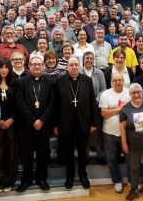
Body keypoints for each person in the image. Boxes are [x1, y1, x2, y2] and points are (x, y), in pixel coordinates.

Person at [54, 57, 98, 189]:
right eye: (71, 65)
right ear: (67, 67)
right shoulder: (60, 81)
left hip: (83, 123)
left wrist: (93, 123)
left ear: (79, 66)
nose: (74, 67)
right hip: (66, 124)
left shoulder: (87, 81)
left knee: (82, 153)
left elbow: (92, 103)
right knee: (68, 152)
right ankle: (70, 177)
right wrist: (55, 125)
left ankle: (83, 175)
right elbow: (55, 104)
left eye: (76, 65)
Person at [16, 56, 55, 192]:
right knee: (26, 156)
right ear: (29, 67)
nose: (37, 66)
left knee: (43, 155)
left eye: (39, 64)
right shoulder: (22, 82)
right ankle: (26, 180)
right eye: (34, 64)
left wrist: (42, 120)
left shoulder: (50, 82)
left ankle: (41, 179)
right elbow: (20, 103)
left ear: (43, 66)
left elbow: (52, 103)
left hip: (43, 127)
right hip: (26, 126)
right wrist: (33, 121)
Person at [0, 58, 18, 193]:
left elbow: (19, 104)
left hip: (12, 123)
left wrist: (11, 119)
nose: (4, 70)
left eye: (6, 67)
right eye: (1, 67)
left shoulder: (15, 83)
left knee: (11, 151)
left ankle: (9, 180)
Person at [99, 72, 131, 193]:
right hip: (109, 132)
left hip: (127, 133)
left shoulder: (129, 92)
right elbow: (103, 113)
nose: (118, 82)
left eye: (120, 80)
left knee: (130, 158)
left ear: (123, 81)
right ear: (111, 82)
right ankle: (117, 181)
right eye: (115, 80)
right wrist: (119, 109)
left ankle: (131, 180)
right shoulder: (106, 94)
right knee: (112, 159)